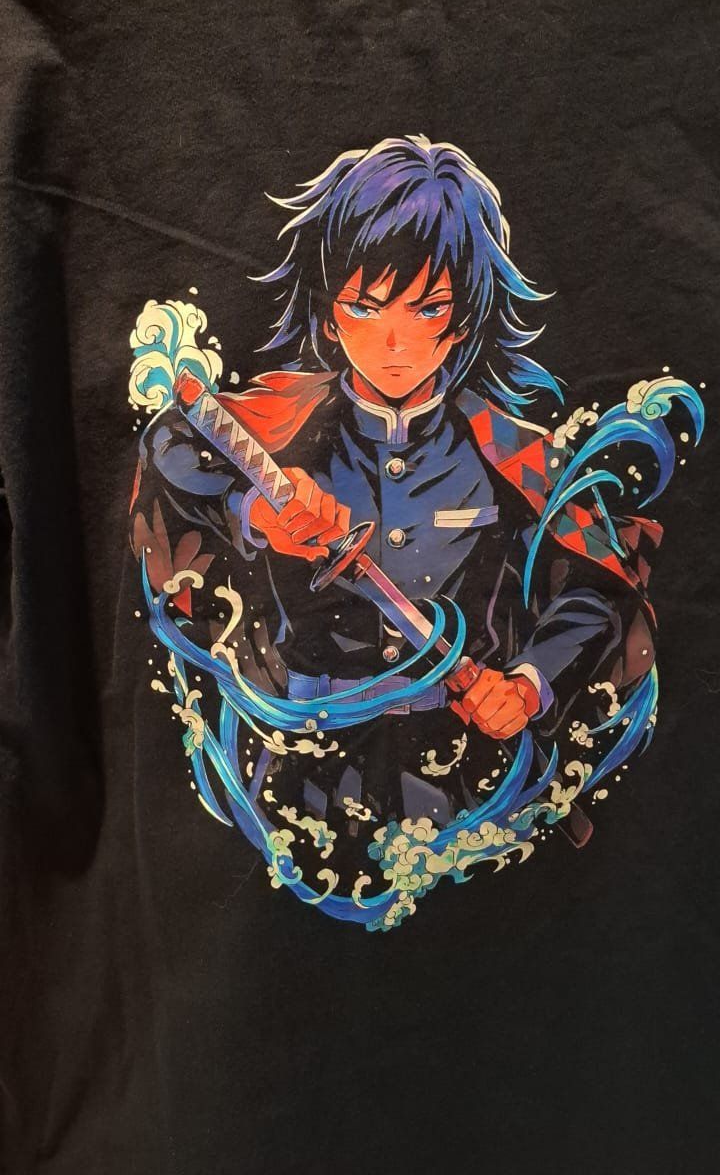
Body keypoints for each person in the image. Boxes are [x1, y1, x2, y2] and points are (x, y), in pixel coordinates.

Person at [131, 136, 658, 884]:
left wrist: (528, 684)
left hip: (459, 778)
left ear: (463, 319)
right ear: (329, 315)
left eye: (427, 309)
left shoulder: (511, 453)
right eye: (365, 306)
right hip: (299, 775)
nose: (394, 342)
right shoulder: (280, 423)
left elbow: (596, 586)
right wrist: (255, 510)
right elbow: (172, 445)